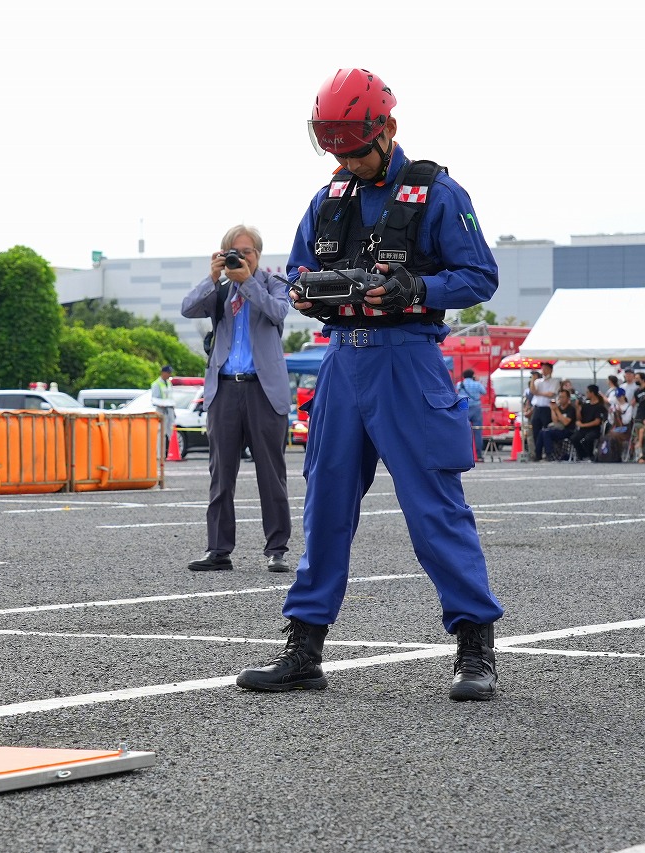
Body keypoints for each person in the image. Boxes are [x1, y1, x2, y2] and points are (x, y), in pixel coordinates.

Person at [236, 69, 504, 701]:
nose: (347, 161)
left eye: (355, 148)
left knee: (433, 508)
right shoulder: (328, 196)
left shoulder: (440, 194)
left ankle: (475, 648)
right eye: (337, 151)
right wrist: (306, 288)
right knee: (325, 506)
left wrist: (419, 288)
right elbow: (300, 266)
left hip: (408, 363)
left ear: (387, 129)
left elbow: (481, 276)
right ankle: (303, 649)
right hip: (341, 364)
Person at [180, 224, 293, 574]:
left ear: (258, 254)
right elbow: (188, 309)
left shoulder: (273, 284)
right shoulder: (221, 289)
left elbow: (278, 313)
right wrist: (212, 278)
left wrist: (247, 281)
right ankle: (218, 549)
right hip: (224, 387)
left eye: (246, 252)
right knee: (221, 473)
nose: (239, 257)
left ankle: (277, 549)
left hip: (263, 388)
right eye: (233, 252)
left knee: (271, 474)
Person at [529, 362, 560, 460]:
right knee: (536, 431)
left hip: (547, 408)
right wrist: (533, 379)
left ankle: (548, 452)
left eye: (546, 369)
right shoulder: (538, 381)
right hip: (538, 408)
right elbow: (532, 391)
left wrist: (539, 393)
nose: (544, 371)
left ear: (551, 370)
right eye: (542, 369)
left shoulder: (554, 381)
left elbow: (551, 394)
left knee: (546, 430)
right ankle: (537, 454)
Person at [457, 368, 486, 460]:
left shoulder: (460, 384)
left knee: (463, 431)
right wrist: (476, 381)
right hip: (476, 408)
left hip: (464, 408)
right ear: (473, 375)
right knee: (478, 431)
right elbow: (484, 392)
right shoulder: (477, 384)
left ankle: (464, 452)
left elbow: (456, 392)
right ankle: (478, 454)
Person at [540, 388, 577, 461]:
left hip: (568, 430)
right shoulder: (559, 408)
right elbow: (555, 421)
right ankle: (538, 454)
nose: (561, 399)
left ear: (568, 398)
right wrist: (553, 410)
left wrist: (557, 410)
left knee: (547, 433)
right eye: (560, 397)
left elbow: (566, 422)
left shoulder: (571, 409)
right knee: (542, 432)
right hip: (558, 429)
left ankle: (549, 454)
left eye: (563, 397)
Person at [572, 384, 607, 461]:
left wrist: (583, 425)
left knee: (588, 439)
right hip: (583, 429)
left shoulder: (600, 407)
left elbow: (597, 422)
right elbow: (580, 418)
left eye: (587, 392)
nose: (586, 394)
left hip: (594, 429)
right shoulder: (585, 405)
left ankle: (590, 455)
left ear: (592, 393)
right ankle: (582, 455)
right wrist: (578, 409)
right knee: (574, 438)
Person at [149, 365, 176, 460]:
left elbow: (170, 396)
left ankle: (166, 454)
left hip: (169, 411)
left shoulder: (169, 383)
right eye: (168, 373)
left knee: (168, 433)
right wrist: (164, 404)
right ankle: (159, 455)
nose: (169, 375)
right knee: (160, 433)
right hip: (161, 411)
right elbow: (155, 399)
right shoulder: (156, 384)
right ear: (163, 373)